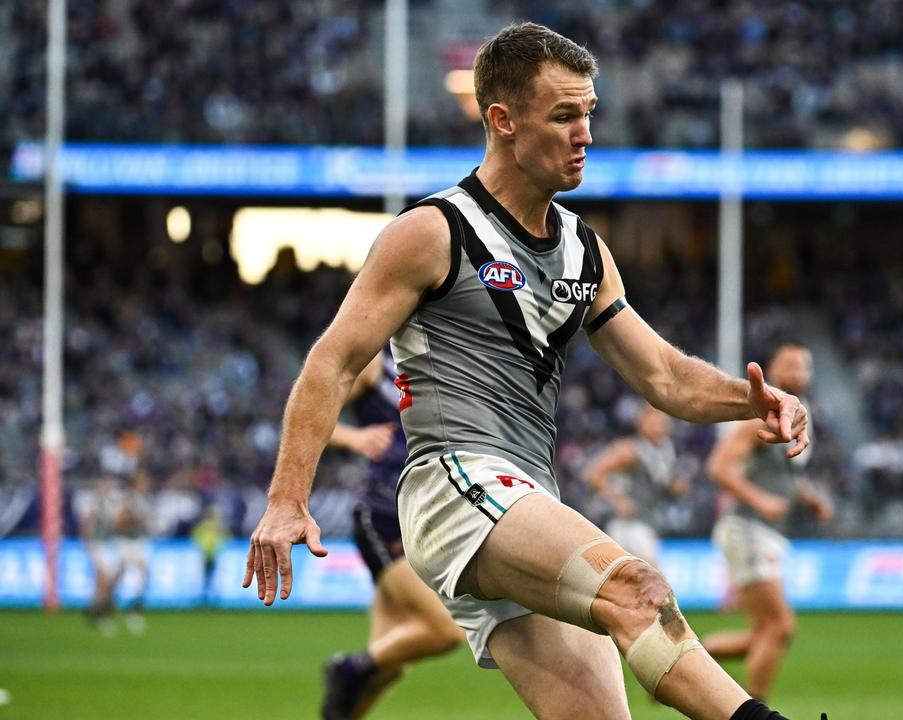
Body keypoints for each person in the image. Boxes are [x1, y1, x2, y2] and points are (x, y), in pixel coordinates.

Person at [243, 22, 810, 720]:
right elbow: (333, 363)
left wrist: (753, 401)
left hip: (527, 500)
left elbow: (664, 376)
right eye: (564, 116)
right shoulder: (433, 232)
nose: (586, 136)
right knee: (636, 591)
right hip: (454, 484)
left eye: (589, 115)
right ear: (502, 121)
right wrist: (285, 499)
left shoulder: (584, 251)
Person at [321, 348, 464, 720]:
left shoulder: (428, 362)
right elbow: (309, 408)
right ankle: (347, 667)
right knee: (446, 632)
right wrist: (353, 438)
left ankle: (353, 683)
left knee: (389, 666)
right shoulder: (374, 360)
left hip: (418, 515)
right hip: (383, 512)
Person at [702, 344, 833, 702]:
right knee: (779, 627)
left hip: (765, 531)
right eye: (789, 363)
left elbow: (786, 475)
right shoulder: (760, 417)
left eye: (804, 364)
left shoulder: (799, 418)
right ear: (773, 368)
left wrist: (809, 499)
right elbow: (718, 467)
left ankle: (689, 658)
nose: (797, 370)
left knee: (764, 632)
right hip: (747, 526)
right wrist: (759, 499)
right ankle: (751, 709)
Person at [586, 402, 690, 566]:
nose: (658, 426)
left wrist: (676, 486)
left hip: (649, 521)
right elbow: (595, 474)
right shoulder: (629, 449)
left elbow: (664, 483)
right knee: (651, 573)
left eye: (662, 422)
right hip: (628, 525)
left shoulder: (665, 451)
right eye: (653, 421)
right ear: (640, 423)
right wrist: (617, 500)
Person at [83, 473, 151, 635]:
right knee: (110, 580)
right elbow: (117, 523)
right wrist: (136, 519)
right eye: (143, 481)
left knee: (130, 576)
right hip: (121, 543)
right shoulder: (127, 500)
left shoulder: (137, 499)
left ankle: (116, 610)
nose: (146, 483)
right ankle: (103, 611)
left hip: (128, 543)